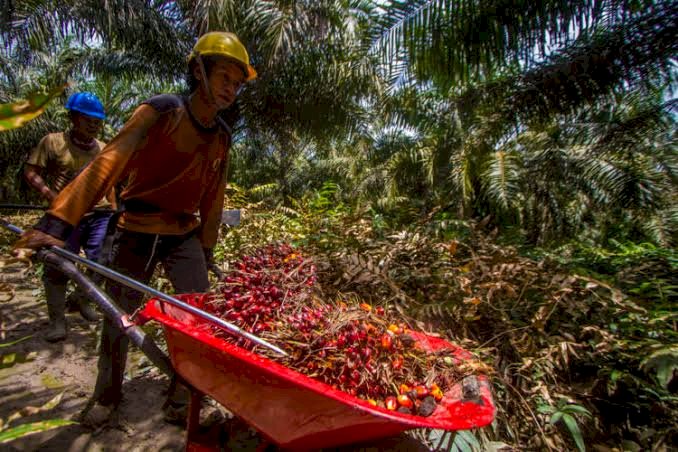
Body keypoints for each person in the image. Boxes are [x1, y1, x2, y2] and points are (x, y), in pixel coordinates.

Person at [13, 31, 256, 427]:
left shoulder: (222, 137)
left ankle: (183, 398)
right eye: (224, 77)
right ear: (199, 70)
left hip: (183, 234)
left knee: (199, 320)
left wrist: (207, 250)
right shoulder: (161, 111)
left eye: (237, 82)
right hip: (136, 225)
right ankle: (107, 397)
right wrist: (57, 223)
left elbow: (214, 196)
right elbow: (107, 163)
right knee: (119, 314)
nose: (231, 88)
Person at [23, 92, 114, 342]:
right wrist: (51, 196)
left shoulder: (103, 149)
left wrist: (114, 208)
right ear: (74, 117)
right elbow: (31, 172)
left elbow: (110, 184)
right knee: (58, 264)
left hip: (99, 214)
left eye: (97, 122)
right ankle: (57, 321)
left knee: (102, 262)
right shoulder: (53, 142)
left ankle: (82, 299)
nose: (94, 126)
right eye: (88, 121)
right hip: (64, 215)